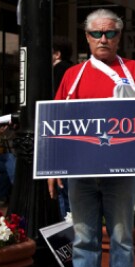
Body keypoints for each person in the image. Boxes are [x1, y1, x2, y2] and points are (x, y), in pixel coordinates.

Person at [50, 8, 135, 267]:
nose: (103, 39)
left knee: (121, 236)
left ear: (119, 36)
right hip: (80, 171)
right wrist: (53, 166)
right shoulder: (72, 76)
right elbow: (56, 124)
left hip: (121, 173)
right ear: (87, 37)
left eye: (109, 33)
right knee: (84, 237)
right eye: (96, 33)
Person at [52, 35, 75, 218]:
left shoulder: (58, 72)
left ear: (57, 54)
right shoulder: (76, 70)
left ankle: (66, 232)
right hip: (77, 136)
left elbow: (53, 107)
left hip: (61, 136)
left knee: (61, 189)